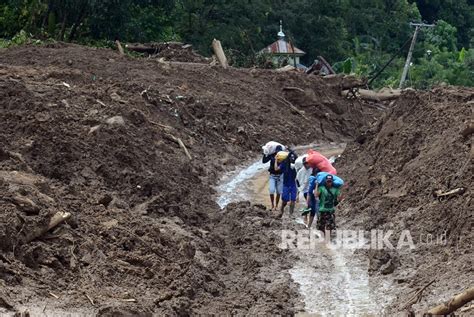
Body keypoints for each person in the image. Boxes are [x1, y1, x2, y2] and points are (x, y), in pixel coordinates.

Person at [274, 150, 298, 217]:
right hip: (286, 184)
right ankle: (281, 210)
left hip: (293, 184)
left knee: (293, 200)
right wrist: (276, 160)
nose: (292, 159)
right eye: (291, 158)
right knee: (284, 200)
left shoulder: (296, 164)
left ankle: (291, 214)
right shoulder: (284, 163)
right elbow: (276, 168)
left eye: (293, 158)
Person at [262, 145, 283, 211]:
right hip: (272, 176)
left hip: (280, 176)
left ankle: (276, 205)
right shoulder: (272, 156)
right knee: (271, 190)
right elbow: (264, 161)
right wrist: (265, 153)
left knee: (279, 192)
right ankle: (272, 205)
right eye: (277, 152)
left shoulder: (283, 157)